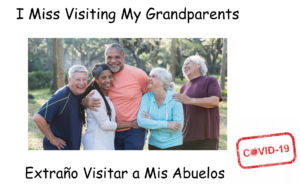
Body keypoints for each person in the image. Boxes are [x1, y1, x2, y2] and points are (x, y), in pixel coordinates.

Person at [82, 43, 149, 150]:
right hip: (111, 132)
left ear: (123, 57)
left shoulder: (138, 74)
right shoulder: (101, 76)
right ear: (105, 58)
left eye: (117, 57)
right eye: (109, 57)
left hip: (134, 129)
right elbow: (82, 95)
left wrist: (149, 118)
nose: (113, 61)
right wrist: (84, 102)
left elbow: (151, 96)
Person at [79, 64, 139, 150]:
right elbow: (106, 125)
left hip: (105, 143)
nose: (108, 80)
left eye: (110, 76)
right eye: (104, 78)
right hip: (95, 144)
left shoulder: (106, 96)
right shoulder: (95, 96)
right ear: (96, 80)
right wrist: (132, 124)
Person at [33, 65, 88, 150]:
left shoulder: (79, 93)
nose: (81, 83)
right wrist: (52, 139)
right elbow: (38, 117)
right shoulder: (61, 96)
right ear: (69, 80)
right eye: (77, 79)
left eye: (84, 79)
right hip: (58, 148)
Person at [173, 55, 222, 150]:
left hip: (206, 136)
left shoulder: (210, 80)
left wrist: (190, 100)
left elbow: (214, 101)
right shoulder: (183, 87)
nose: (184, 66)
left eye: (187, 63)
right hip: (186, 137)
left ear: (198, 65)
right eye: (183, 65)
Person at [137, 68, 184, 150]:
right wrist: (167, 124)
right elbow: (141, 122)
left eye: (153, 76)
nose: (149, 79)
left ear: (162, 82)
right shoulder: (146, 98)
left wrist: (152, 122)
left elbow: (177, 127)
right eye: (150, 76)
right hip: (153, 144)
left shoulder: (175, 98)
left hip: (174, 144)